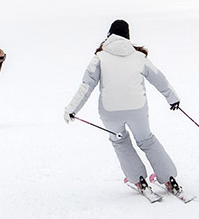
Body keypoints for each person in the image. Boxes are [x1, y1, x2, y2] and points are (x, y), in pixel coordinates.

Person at [63, 20, 183, 195]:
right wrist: (172, 98)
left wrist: (71, 109)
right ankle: (169, 176)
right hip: (138, 110)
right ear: (128, 36)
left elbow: (86, 87)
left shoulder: (99, 58)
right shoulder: (139, 57)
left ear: (109, 35)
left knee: (120, 141)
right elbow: (159, 79)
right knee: (146, 140)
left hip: (110, 112)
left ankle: (138, 179)